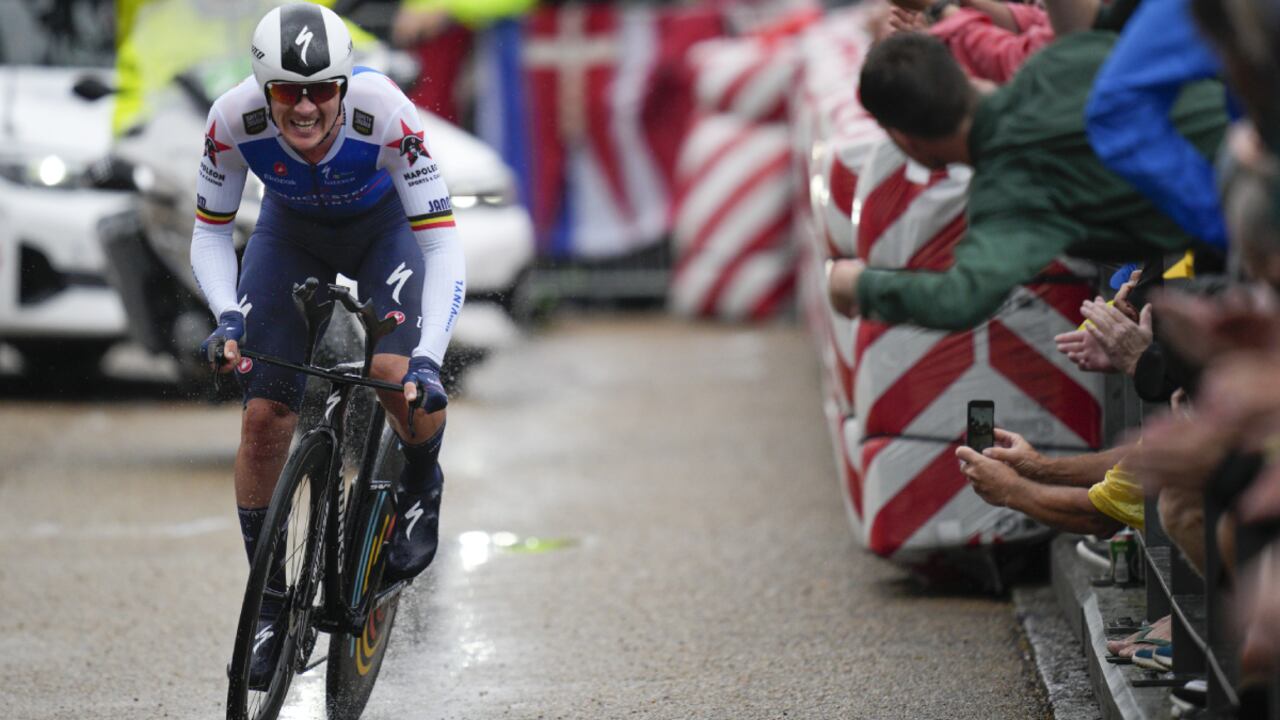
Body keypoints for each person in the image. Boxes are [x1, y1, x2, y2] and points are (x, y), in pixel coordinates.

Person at [190, 4, 464, 687]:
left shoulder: (386, 113)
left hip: (384, 234)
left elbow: (441, 245)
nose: (306, 107)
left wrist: (430, 356)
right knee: (263, 418)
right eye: (288, 91)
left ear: (343, 85)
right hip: (291, 236)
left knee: (393, 369)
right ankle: (270, 604)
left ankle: (421, 479)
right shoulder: (232, 119)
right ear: (264, 89)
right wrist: (227, 317)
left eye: (321, 90)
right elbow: (210, 232)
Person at [827, 32, 1227, 330]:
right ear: (960, 72)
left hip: (1246, 217)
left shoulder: (1009, 194)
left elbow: (960, 299)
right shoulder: (1057, 60)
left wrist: (858, 284)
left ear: (903, 139)